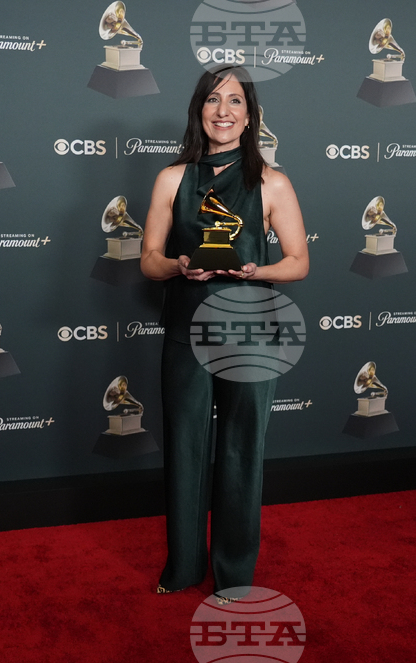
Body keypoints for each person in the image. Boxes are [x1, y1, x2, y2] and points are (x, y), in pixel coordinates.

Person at [140, 65, 308, 603]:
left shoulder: (272, 181)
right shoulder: (172, 178)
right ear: (199, 110)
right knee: (185, 448)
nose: (224, 111)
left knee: (241, 452)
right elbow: (147, 260)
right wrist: (179, 267)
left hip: (252, 332)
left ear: (250, 115)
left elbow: (299, 262)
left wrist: (256, 270)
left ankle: (234, 576)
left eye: (235, 101)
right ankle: (183, 567)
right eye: (214, 100)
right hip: (186, 329)